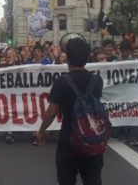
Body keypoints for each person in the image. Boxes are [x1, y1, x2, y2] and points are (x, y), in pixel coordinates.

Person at [36, 37, 104, 185]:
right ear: (87, 58)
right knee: (93, 179)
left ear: (67, 58)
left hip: (69, 140)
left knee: (66, 179)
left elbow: (51, 113)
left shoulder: (62, 82)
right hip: (92, 139)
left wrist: (41, 131)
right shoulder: (97, 81)